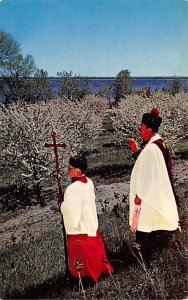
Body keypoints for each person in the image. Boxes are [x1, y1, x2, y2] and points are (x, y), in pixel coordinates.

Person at [126, 108, 180, 254]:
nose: (139, 130)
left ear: (149, 129)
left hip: (150, 196)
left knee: (150, 224)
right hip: (159, 192)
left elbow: (149, 175)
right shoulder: (156, 144)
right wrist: (137, 151)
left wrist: (139, 195)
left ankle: (148, 254)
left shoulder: (152, 149)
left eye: (141, 128)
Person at [58, 155, 113, 283]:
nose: (67, 170)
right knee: (94, 250)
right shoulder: (89, 182)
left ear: (78, 171)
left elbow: (70, 209)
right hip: (89, 221)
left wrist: (61, 205)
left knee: (82, 255)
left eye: (70, 168)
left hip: (79, 227)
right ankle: (100, 271)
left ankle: (83, 278)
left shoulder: (72, 189)